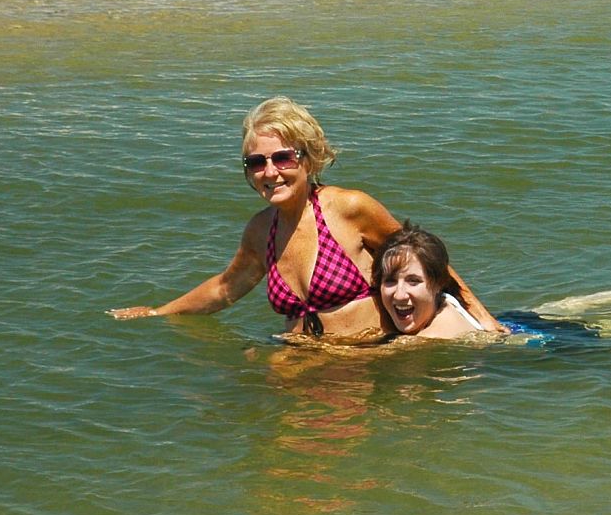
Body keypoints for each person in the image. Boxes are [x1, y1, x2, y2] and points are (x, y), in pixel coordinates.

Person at [109, 97, 500, 337]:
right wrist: (159, 312)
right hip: (310, 363)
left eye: (282, 157)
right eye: (256, 162)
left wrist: (487, 322)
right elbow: (225, 288)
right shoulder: (262, 231)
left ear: (308, 159)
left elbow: (427, 263)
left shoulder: (349, 208)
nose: (270, 171)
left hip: (371, 358)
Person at [374, 223, 493, 339]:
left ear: (439, 283)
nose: (399, 295)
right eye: (390, 281)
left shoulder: (433, 336)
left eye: (413, 281)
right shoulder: (444, 301)